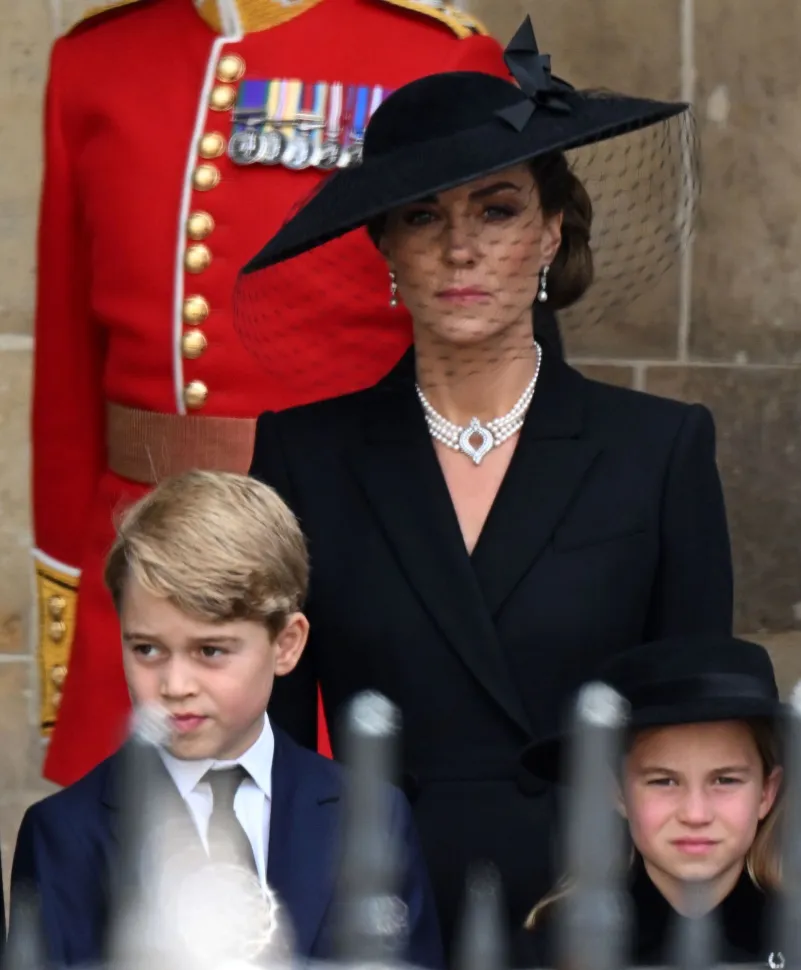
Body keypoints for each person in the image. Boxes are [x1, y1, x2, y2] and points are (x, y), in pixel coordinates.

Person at [239, 17, 733, 955]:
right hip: (375, 906)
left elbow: (697, 739)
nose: (460, 248)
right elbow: (278, 750)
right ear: (385, 244)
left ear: (551, 232)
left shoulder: (658, 449)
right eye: (425, 215)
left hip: (594, 908)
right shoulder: (306, 454)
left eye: (497, 208)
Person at [33, 0, 564, 788]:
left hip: (344, 564)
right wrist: (70, 607)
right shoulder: (98, 60)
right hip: (142, 574)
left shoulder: (434, 57)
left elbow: (494, 354)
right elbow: (68, 373)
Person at [11, 471, 442, 968]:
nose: (174, 685)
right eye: (147, 649)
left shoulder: (371, 815)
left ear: (287, 644)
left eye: (210, 650)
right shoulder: (62, 831)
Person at [519, 635, 801, 967]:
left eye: (725, 780)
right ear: (618, 794)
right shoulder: (553, 950)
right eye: (663, 781)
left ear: (766, 792)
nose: (695, 813)